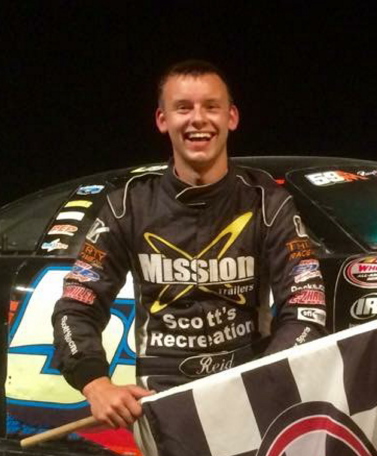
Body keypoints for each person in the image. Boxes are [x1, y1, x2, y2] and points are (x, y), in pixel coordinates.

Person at [51, 60, 327, 427]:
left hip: (249, 398)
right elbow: (77, 304)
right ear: (162, 120)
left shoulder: (269, 203)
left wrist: (264, 379)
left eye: (211, 106)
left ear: (231, 117)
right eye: (183, 107)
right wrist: (94, 383)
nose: (198, 119)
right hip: (162, 403)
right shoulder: (126, 206)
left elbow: (306, 306)